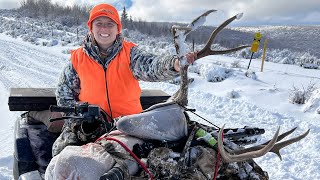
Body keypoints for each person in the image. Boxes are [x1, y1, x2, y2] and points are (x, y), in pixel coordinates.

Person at [52, 3, 197, 157]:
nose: (104, 29)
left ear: (118, 28)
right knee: (60, 152)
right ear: (91, 27)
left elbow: (151, 65)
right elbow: (64, 93)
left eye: (110, 24)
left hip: (130, 125)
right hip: (90, 125)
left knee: (149, 161)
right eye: (99, 24)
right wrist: (78, 121)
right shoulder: (78, 58)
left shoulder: (130, 54)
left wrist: (174, 64)